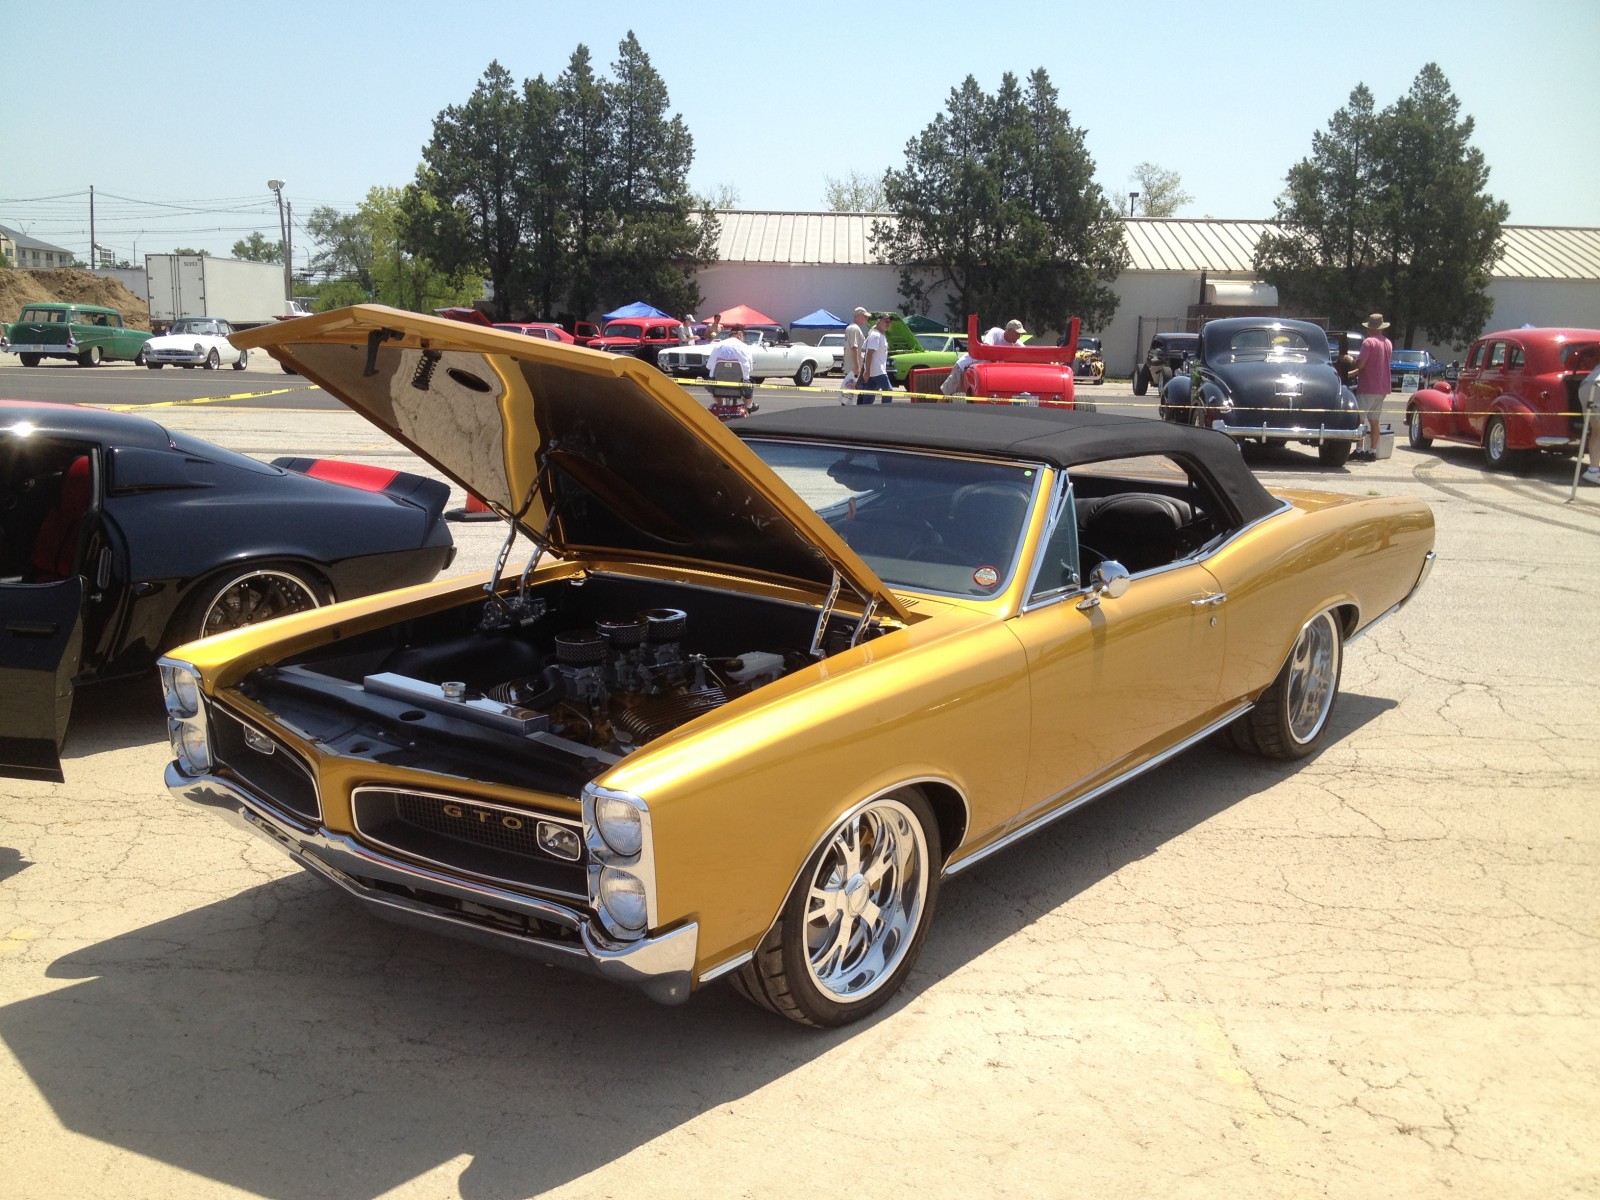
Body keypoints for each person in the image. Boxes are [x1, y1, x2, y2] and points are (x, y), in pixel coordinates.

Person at [943, 318, 1026, 397]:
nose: (1019, 337)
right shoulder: (995, 332)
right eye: (1017, 334)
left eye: (1020, 334)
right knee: (946, 395)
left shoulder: (1016, 343)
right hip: (964, 367)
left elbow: (1027, 353)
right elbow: (987, 350)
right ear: (1009, 331)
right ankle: (938, 406)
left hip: (978, 374)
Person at [1353, 313, 1393, 461]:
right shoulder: (1388, 343)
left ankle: (1359, 449)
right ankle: (1372, 451)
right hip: (1382, 387)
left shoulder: (1368, 342)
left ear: (1370, 328)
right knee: (1375, 420)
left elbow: (1361, 364)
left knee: (1360, 419)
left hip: (1368, 385)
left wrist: (1353, 364)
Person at [705, 324, 755, 407]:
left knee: (711, 382)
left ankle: (720, 404)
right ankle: (748, 407)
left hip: (718, 385)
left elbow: (709, 366)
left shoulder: (718, 346)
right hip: (740, 385)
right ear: (740, 334)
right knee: (749, 385)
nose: (744, 338)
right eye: (744, 336)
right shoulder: (745, 347)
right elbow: (749, 368)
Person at [858, 313, 895, 404]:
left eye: (889, 322)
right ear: (879, 321)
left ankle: (864, 410)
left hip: (873, 371)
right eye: (886, 321)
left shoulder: (877, 335)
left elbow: (863, 349)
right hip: (878, 370)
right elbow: (869, 353)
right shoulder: (876, 335)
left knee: (869, 396)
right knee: (888, 390)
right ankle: (885, 409)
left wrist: (867, 371)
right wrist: (867, 371)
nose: (888, 324)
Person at [842, 306, 870, 401]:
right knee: (852, 397)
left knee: (850, 396)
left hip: (852, 368)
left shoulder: (852, 328)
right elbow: (854, 348)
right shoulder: (854, 329)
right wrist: (857, 367)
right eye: (865, 316)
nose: (866, 319)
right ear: (858, 316)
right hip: (854, 369)